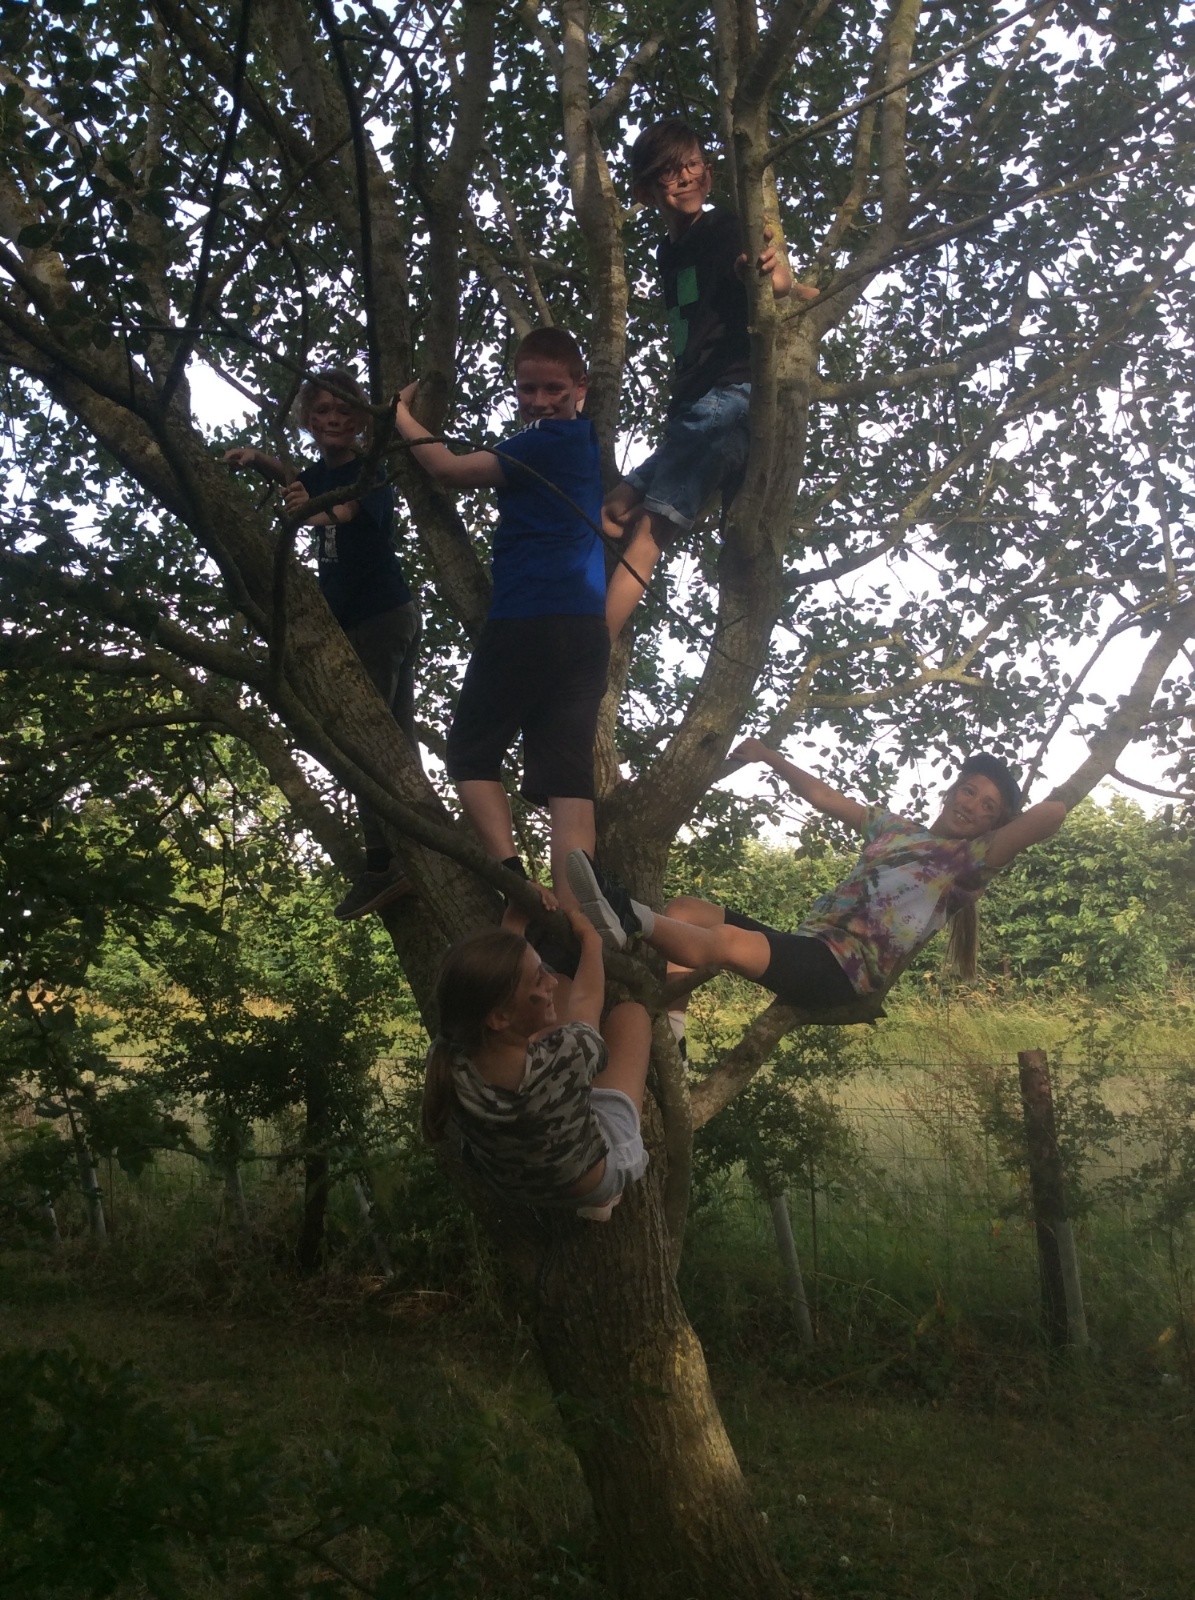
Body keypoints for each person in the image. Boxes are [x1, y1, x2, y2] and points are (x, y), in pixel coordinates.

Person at [567, 739, 1070, 1033]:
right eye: (969, 791)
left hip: (843, 973)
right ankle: (674, 1037)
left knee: (724, 943)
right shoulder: (895, 829)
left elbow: (1052, 813)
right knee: (686, 909)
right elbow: (826, 797)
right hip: (811, 946)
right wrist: (769, 756)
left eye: (988, 807)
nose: (972, 805)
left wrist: (1004, 833)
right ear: (951, 789)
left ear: (994, 825)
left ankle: (627, 915)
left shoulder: (969, 862)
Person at [394, 326, 607, 914]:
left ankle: (514, 879)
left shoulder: (543, 443)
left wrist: (400, 416)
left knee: (469, 751)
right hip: (585, 630)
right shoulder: (586, 444)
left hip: (529, 617)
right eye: (527, 389)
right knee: (567, 778)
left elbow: (446, 468)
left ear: (580, 387)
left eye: (554, 389)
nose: (539, 401)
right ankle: (581, 919)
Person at [602, 119, 818, 640]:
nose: (684, 178)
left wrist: (773, 278)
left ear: (710, 172)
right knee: (614, 509)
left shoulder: (724, 226)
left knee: (649, 533)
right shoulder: (669, 252)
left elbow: (769, 274)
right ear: (645, 191)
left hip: (730, 397)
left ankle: (592, 648)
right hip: (696, 406)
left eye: (693, 165)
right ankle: (585, 611)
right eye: (668, 171)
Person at [224, 369, 420, 921]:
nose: (333, 419)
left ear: (360, 421)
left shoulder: (366, 471)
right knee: (395, 739)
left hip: (380, 618)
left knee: (366, 741)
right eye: (322, 412)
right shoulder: (320, 472)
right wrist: (259, 461)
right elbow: (298, 479)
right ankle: (417, 839)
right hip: (371, 618)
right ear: (308, 419)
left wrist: (307, 511)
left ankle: (384, 864)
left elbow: (345, 509)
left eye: (344, 411)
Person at [421, 907, 651, 1220]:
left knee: (565, 986)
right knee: (632, 1016)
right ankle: (604, 1201)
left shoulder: (448, 1058)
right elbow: (586, 1003)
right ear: (499, 1018)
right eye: (538, 979)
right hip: (592, 1181)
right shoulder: (566, 1055)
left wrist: (514, 922)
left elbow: (504, 986)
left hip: (513, 1187)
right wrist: (591, 941)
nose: (550, 982)